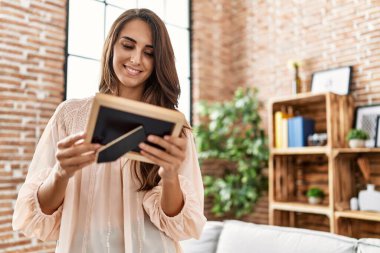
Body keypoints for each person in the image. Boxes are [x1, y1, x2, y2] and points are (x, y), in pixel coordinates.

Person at [13, 8, 206, 253]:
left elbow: (180, 226)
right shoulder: (70, 115)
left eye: (149, 53)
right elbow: (37, 216)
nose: (136, 59)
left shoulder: (171, 126)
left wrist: (169, 176)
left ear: (159, 60)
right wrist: (61, 173)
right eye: (128, 46)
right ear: (111, 46)